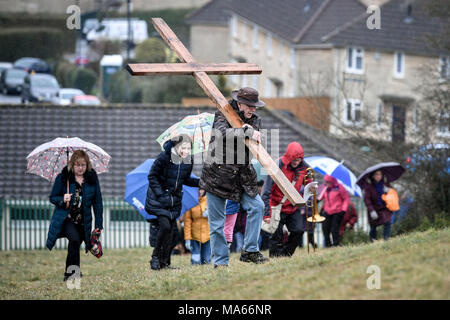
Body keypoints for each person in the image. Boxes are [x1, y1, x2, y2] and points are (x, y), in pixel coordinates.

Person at [199, 87, 268, 267]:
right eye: (250, 106)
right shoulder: (222, 114)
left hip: (242, 176)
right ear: (239, 103)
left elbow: (252, 141)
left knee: (258, 206)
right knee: (217, 224)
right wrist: (245, 132)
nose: (253, 110)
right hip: (217, 176)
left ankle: (250, 251)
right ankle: (221, 263)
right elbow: (221, 135)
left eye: (255, 106)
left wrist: (249, 131)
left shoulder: (255, 120)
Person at [46, 150, 103, 281]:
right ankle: (73, 274)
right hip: (67, 219)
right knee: (75, 239)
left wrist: (99, 224)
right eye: (77, 165)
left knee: (75, 244)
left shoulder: (92, 178)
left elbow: (98, 202)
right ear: (72, 164)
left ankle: (70, 272)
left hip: (83, 221)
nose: (80, 168)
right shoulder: (64, 177)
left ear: (87, 164)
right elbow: (52, 197)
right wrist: (62, 199)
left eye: (83, 165)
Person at [145, 134, 200, 270]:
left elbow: (185, 180)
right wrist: (161, 194)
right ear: (176, 146)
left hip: (174, 201)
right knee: (165, 227)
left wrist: (201, 182)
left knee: (172, 233)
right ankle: (155, 257)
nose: (186, 151)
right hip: (159, 199)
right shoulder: (164, 157)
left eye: (189, 148)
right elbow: (152, 176)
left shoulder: (188, 160)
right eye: (184, 148)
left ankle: (165, 263)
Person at [262, 142, 316, 257]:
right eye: (294, 159)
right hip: (276, 205)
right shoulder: (276, 165)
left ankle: (286, 255)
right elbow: (266, 191)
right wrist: (266, 214)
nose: (296, 162)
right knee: (276, 235)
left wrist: (312, 187)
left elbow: (308, 184)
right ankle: (275, 259)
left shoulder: (305, 168)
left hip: (292, 206)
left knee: (299, 231)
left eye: (299, 159)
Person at [318, 174, 350, 247]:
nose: (328, 184)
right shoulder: (325, 188)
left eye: (329, 182)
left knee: (334, 229)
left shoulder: (340, 187)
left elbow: (346, 199)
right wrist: (316, 200)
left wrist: (343, 210)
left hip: (338, 211)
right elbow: (321, 197)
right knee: (325, 229)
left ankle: (336, 244)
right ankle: (328, 245)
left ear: (333, 182)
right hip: (327, 211)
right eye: (326, 182)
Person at [363, 170, 393, 242]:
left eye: (380, 174)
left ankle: (386, 238)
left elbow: (392, 196)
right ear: (373, 176)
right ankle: (373, 240)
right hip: (374, 209)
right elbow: (367, 200)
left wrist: (389, 191)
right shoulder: (369, 187)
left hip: (385, 208)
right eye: (376, 174)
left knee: (387, 222)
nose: (378, 176)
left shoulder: (386, 185)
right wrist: (371, 210)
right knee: (373, 226)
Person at [184, 189, 211, 265]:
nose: (200, 191)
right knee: (195, 261)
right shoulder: (191, 202)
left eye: (202, 189)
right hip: (194, 235)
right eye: (198, 189)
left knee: (206, 260)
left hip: (207, 235)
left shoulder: (210, 200)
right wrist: (187, 239)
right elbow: (187, 221)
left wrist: (211, 214)